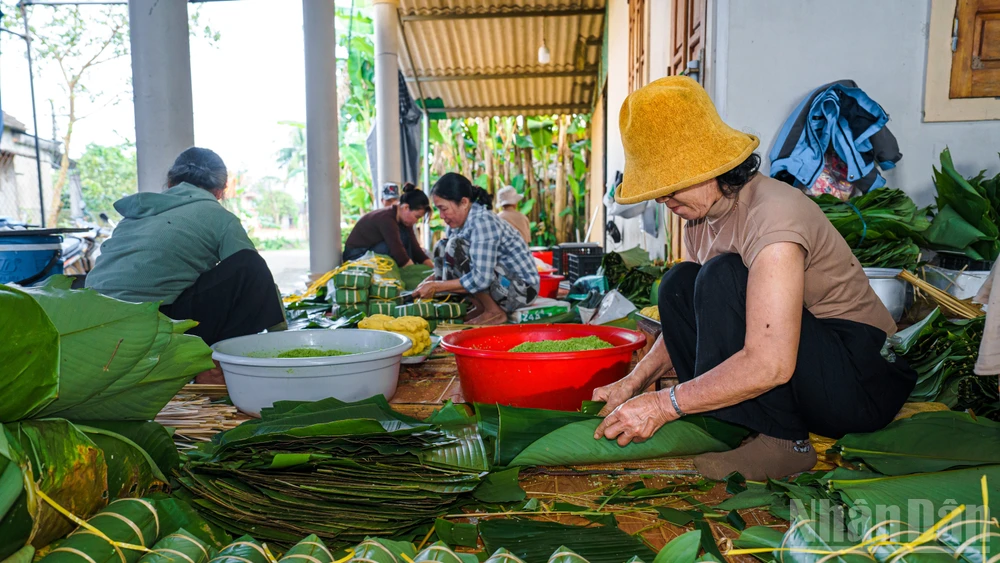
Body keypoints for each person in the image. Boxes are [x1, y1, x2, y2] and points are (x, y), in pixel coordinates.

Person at [590, 76, 916, 480]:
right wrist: (633, 383)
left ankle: (786, 444)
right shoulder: (699, 217)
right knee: (679, 282)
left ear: (711, 165)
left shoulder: (772, 215)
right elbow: (692, 318)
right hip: (807, 370)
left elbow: (771, 363)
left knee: (723, 274)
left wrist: (664, 405)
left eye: (671, 186)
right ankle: (742, 426)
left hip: (860, 379)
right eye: (658, 190)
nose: (663, 200)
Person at [86, 147, 285, 349]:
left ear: (171, 182)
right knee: (249, 265)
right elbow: (257, 277)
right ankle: (217, 361)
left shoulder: (139, 211)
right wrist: (283, 334)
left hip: (92, 323)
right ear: (220, 190)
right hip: (151, 327)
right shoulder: (219, 216)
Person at [412, 173, 539, 325]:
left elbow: (481, 278)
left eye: (444, 209)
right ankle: (481, 307)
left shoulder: (482, 222)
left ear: (464, 202)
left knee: (455, 246)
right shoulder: (456, 226)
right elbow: (451, 265)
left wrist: (436, 286)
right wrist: (428, 282)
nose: (442, 215)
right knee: (443, 246)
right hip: (501, 284)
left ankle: (494, 312)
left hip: (521, 291)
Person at [343, 184, 434, 267]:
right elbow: (398, 252)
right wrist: (414, 273)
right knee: (401, 241)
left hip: (371, 251)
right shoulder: (386, 218)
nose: (416, 221)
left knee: (407, 239)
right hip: (356, 256)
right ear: (406, 207)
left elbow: (415, 248)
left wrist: (432, 269)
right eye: (417, 217)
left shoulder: (403, 220)